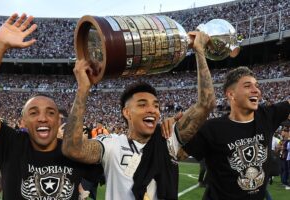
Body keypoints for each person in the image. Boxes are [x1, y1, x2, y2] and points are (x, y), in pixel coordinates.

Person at [62, 30, 216, 199]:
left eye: (156, 106)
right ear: (126, 112)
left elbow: (206, 104)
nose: (152, 109)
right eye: (142, 105)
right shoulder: (111, 145)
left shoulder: (168, 141)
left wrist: (199, 51)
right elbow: (73, 149)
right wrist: (83, 90)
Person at [0, 13, 103, 199]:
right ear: (23, 122)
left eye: (51, 112)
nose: (43, 117)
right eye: (33, 113)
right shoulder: (11, 146)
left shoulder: (73, 152)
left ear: (59, 121)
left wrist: (83, 88)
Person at [178, 66, 290, 200]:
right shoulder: (212, 129)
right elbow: (178, 155)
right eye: (248, 86)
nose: (256, 91)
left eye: (257, 85)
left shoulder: (267, 116)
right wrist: (174, 128)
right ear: (231, 94)